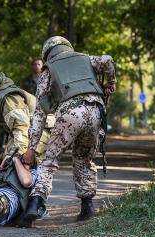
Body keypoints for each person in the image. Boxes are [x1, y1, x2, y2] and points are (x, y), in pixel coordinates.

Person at [23, 36, 116, 223]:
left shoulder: (47, 71)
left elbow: (40, 113)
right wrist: (111, 82)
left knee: (49, 161)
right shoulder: (86, 58)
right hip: (95, 112)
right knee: (84, 159)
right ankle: (87, 208)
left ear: (48, 53)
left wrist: (32, 148)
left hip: (69, 114)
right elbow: (107, 59)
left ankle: (34, 204)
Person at [0, 65, 49, 167]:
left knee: (25, 165)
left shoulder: (9, 99)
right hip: (28, 131)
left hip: (41, 130)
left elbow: (21, 127)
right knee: (4, 165)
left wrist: (22, 154)